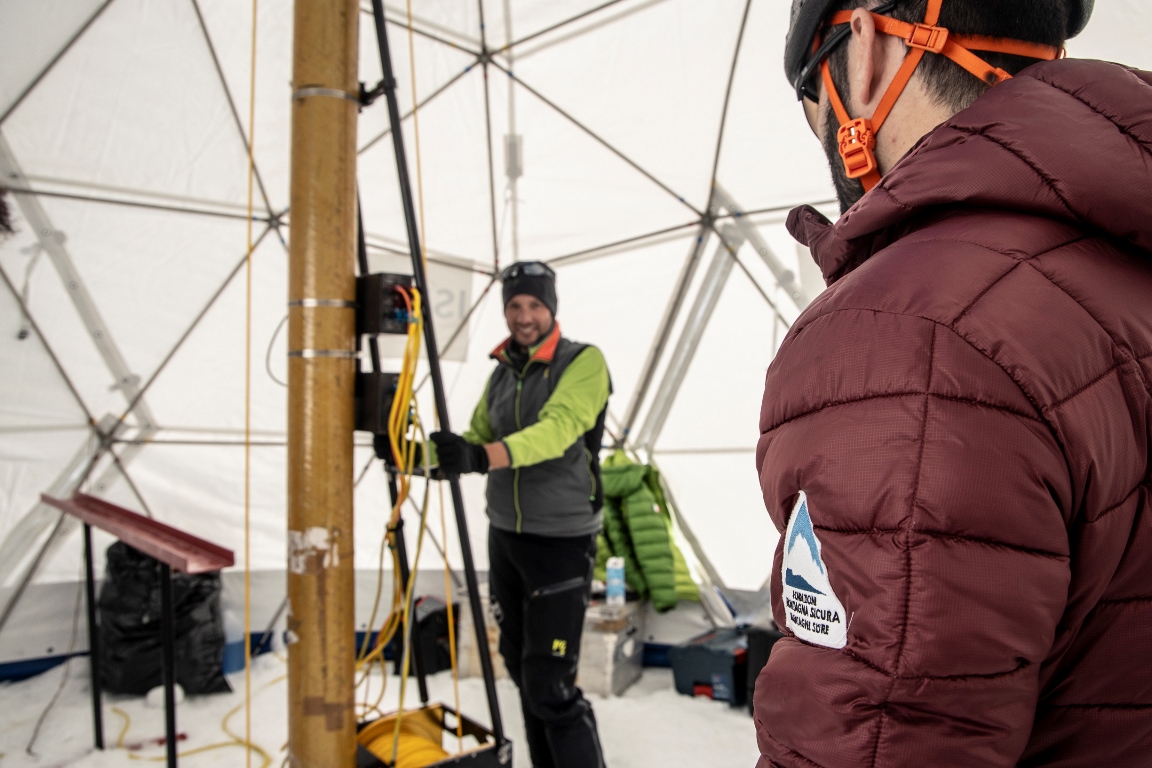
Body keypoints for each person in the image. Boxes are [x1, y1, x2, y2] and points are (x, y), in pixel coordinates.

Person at [755, 0, 1152, 765]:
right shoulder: (1122, 264)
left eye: (812, 95)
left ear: (863, 48)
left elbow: (877, 744)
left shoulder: (911, 331)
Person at [431, 261, 610, 768]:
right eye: (514, 305)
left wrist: (480, 457)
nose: (524, 315)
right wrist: (417, 455)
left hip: (559, 540)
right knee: (521, 671)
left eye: (534, 304)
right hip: (505, 536)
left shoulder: (582, 362)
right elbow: (474, 438)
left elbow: (557, 431)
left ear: (551, 308)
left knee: (549, 682)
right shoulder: (502, 373)